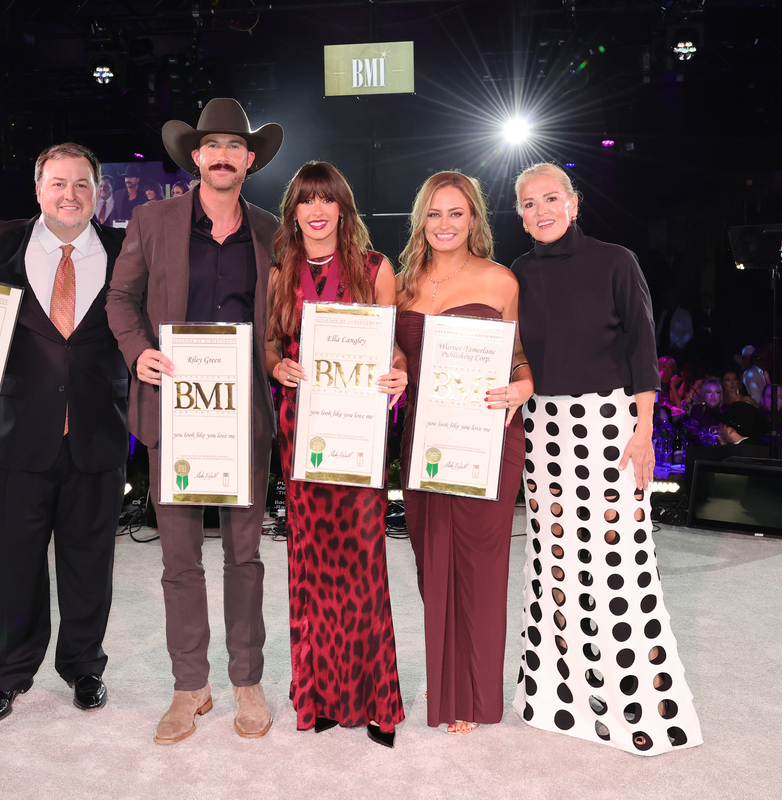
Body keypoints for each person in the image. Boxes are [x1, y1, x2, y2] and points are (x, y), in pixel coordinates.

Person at [509, 162, 702, 755]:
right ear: (518, 214)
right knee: (557, 557)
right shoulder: (516, 273)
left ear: (574, 202)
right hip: (544, 427)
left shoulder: (616, 261)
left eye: (551, 198)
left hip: (610, 423)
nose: (541, 211)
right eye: (528, 203)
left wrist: (644, 431)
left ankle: (645, 700)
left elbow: (644, 349)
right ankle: (562, 696)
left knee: (620, 558)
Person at [106, 97, 282, 744]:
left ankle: (246, 681)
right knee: (179, 557)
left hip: (243, 413)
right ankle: (190, 687)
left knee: (245, 556)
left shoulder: (270, 229)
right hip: (174, 409)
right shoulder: (153, 221)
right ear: (197, 156)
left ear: (250, 159)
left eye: (236, 146)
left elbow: (286, 313)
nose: (224, 155)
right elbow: (120, 298)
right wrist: (137, 350)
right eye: (213, 146)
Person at [0, 143, 129, 725]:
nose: (70, 195)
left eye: (82, 185)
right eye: (58, 183)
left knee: (90, 564)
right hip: (16, 435)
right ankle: (8, 674)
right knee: (15, 564)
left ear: (98, 192)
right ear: (38, 190)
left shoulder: (126, 250)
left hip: (98, 434)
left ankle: (84, 667)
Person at [264, 161, 407, 746]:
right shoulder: (279, 274)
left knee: (365, 564)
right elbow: (272, 341)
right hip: (302, 432)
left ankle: (377, 702)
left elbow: (394, 346)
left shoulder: (376, 269)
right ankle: (319, 695)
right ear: (293, 212)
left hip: (359, 431)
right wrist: (277, 364)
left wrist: (398, 372)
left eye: (328, 201)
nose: (317, 211)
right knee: (313, 565)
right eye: (306, 201)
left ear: (343, 210)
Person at [393, 171, 532, 735]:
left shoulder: (501, 281)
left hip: (486, 438)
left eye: (456, 213)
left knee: (480, 564)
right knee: (433, 566)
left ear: (473, 218)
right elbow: (397, 355)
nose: (445, 224)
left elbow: (520, 356)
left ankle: (475, 696)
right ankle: (447, 684)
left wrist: (522, 387)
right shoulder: (400, 285)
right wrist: (398, 372)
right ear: (420, 221)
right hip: (424, 441)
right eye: (434, 213)